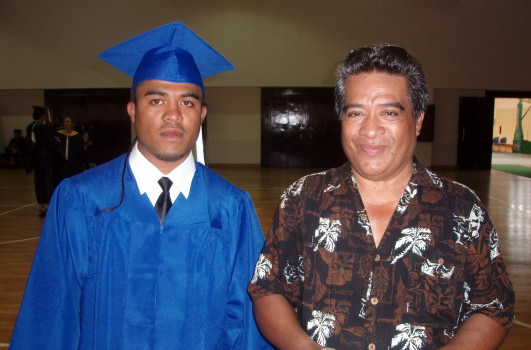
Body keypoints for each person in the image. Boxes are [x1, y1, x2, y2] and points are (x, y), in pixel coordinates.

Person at [11, 22, 272, 350]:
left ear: (202, 114)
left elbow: (250, 321)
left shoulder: (230, 207)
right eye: (156, 101)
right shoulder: (81, 198)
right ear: (132, 111)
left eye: (187, 103)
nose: (174, 115)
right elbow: (50, 313)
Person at [248, 44, 514, 349]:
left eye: (389, 112)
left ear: (417, 120)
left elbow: (493, 306)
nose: (370, 129)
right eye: (356, 113)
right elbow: (269, 289)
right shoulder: (303, 199)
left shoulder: (463, 209)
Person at [24, 106, 64, 217]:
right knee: (47, 181)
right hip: (44, 157)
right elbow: (50, 141)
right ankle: (47, 205)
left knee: (39, 181)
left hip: (35, 158)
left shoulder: (30, 127)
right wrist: (57, 142)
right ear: (42, 116)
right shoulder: (41, 127)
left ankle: (41, 206)